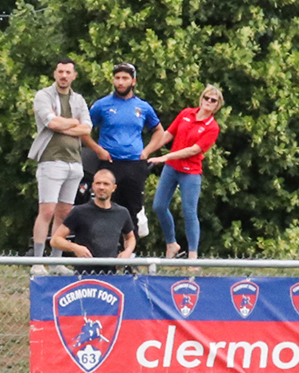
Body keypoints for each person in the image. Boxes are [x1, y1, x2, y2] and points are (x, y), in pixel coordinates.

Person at [52, 167, 135, 373]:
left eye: (106, 184)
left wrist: (127, 251)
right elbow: (57, 239)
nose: (101, 187)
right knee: (83, 330)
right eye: (97, 183)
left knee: (107, 331)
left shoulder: (122, 213)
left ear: (113, 188)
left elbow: (130, 236)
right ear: (92, 186)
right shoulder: (80, 212)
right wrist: (75, 247)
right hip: (84, 279)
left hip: (110, 280)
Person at [147, 86, 223, 258]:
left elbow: (194, 150)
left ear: (217, 105)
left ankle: (193, 255)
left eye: (213, 100)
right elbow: (168, 134)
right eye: (207, 98)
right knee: (159, 206)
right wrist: (148, 151)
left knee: (189, 211)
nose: (209, 102)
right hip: (172, 168)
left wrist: (165, 157)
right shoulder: (186, 113)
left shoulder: (212, 127)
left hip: (191, 172)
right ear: (201, 98)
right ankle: (171, 243)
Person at [86, 62, 164, 232]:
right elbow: (84, 130)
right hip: (110, 163)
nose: (120, 82)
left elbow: (159, 131)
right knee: (106, 207)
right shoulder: (102, 105)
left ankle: (131, 251)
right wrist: (97, 149)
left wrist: (146, 152)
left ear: (133, 81)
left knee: (133, 209)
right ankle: (108, 250)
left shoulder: (143, 107)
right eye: (117, 78)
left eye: (125, 78)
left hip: (134, 164)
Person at [28, 58, 92, 257]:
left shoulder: (78, 99)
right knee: (46, 211)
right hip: (51, 160)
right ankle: (37, 261)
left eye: (68, 72)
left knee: (64, 214)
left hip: (74, 161)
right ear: (55, 74)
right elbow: (51, 123)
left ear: (74, 75)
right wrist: (74, 122)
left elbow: (87, 127)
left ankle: (56, 260)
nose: (64, 76)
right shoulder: (43, 96)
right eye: (60, 72)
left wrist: (66, 124)